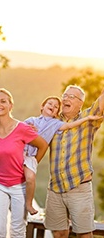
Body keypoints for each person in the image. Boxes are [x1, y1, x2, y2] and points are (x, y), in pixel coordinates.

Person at [0, 88, 48, 238]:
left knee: (18, 231)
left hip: (19, 186)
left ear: (10, 105)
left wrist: (31, 165)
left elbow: (43, 145)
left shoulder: (22, 128)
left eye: (3, 101)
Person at [23, 96, 102, 215]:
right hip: (19, 151)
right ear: (42, 106)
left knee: (30, 179)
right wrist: (27, 128)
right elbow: (17, 129)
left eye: (56, 107)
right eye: (50, 103)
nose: (52, 107)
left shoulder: (56, 124)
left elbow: (70, 125)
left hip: (30, 157)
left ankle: (28, 204)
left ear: (56, 113)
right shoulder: (32, 120)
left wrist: (87, 118)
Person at [44, 85, 104, 238]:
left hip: (79, 188)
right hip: (55, 188)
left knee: (84, 235)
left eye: (71, 97)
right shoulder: (53, 121)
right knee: (59, 233)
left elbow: (102, 101)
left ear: (80, 104)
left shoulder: (88, 119)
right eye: (64, 95)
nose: (65, 99)